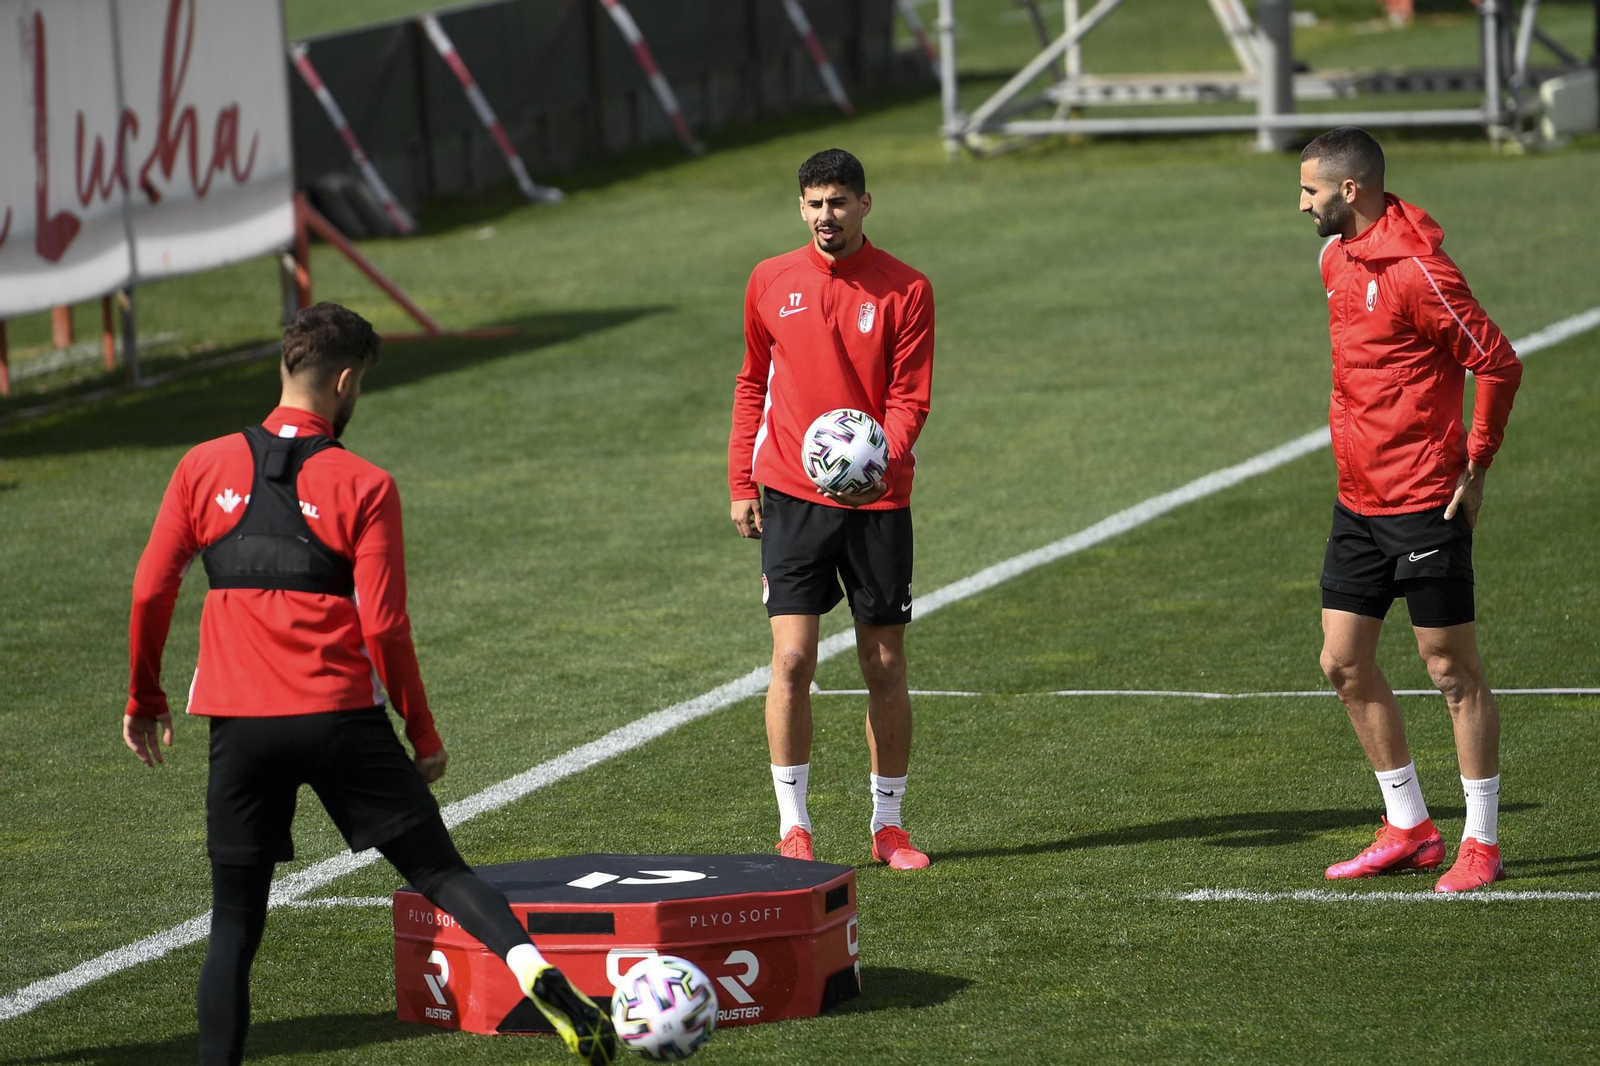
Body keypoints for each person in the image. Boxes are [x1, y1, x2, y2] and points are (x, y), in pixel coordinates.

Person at [123, 304, 615, 1064]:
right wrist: (423, 731)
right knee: (442, 872)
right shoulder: (366, 483)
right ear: (346, 381)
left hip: (240, 725)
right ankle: (538, 975)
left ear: (286, 367)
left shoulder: (201, 465)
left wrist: (144, 698)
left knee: (233, 924)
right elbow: (384, 626)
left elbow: (151, 590)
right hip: (339, 717)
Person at [1297, 127, 1523, 893]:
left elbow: (1494, 360)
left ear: (1349, 190)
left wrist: (1478, 463)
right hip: (1356, 503)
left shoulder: (1421, 273)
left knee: (1450, 672)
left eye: (1310, 192)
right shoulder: (1335, 259)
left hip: (1426, 500)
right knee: (1342, 662)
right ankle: (1410, 826)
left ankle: (1481, 843)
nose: (1302, 205)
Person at [728, 149, 935, 869]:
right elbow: (752, 383)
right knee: (791, 660)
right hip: (789, 492)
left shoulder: (906, 288)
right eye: (815, 203)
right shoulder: (770, 279)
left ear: (864, 205)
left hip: (877, 501)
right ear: (801, 208)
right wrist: (740, 482)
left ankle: (889, 826)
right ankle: (794, 826)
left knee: (883, 664)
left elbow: (910, 396)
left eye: (839, 202)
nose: (826, 216)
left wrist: (878, 457)